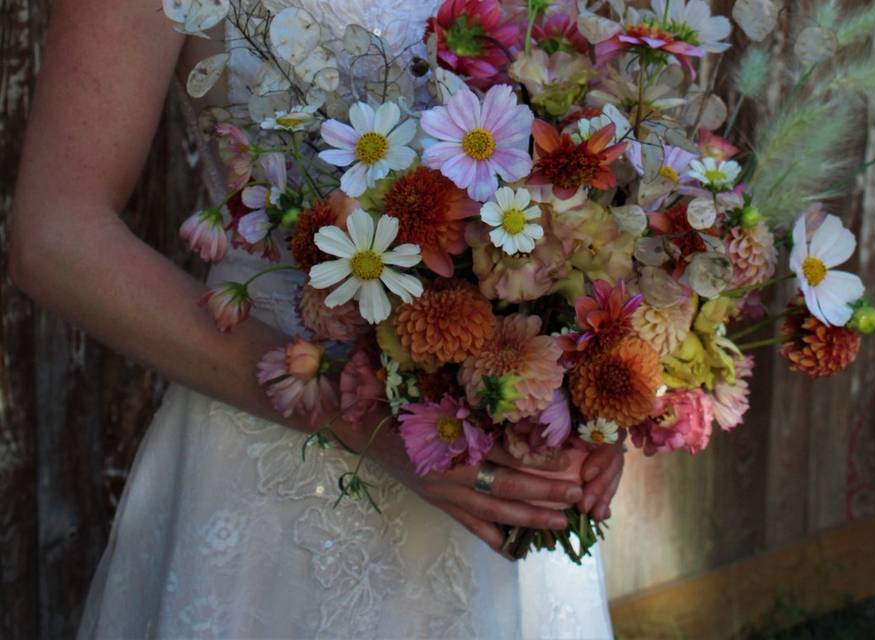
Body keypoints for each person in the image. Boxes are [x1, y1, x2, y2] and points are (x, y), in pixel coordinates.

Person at [10, 0, 624, 637]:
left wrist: (593, 398)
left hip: (510, 476)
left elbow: (578, 153)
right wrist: (353, 415)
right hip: (282, 478)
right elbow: (55, 237)